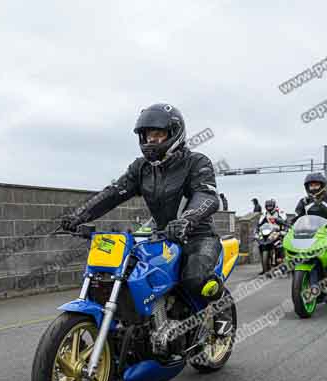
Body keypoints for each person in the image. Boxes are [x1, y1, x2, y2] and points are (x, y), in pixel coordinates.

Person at [60, 103, 224, 304]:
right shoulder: (141, 168)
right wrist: (80, 215)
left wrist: (187, 220)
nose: (151, 140)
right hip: (161, 237)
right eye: (147, 135)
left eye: (158, 134)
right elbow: (114, 193)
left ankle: (218, 311)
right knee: (130, 275)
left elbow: (206, 195)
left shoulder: (196, 162)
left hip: (197, 236)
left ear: (174, 133)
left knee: (194, 279)